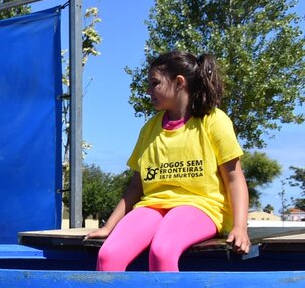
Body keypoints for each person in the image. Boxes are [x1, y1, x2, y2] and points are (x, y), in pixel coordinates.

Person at [87, 51, 250, 271]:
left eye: (154, 83)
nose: (148, 91)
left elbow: (234, 178)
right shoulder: (149, 129)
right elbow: (136, 186)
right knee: (108, 255)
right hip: (153, 206)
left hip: (201, 206)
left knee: (162, 251)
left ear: (179, 82)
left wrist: (240, 227)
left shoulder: (213, 121)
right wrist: (109, 226)